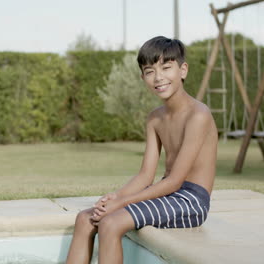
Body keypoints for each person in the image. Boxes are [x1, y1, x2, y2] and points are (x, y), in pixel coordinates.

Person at [66, 36, 218, 264]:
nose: (158, 77)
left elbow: (175, 181)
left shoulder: (199, 115)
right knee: (85, 219)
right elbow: (145, 175)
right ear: (143, 77)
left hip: (191, 201)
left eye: (166, 68)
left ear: (183, 70)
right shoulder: (155, 119)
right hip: (169, 193)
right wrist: (117, 196)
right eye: (149, 71)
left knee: (111, 223)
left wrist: (122, 204)